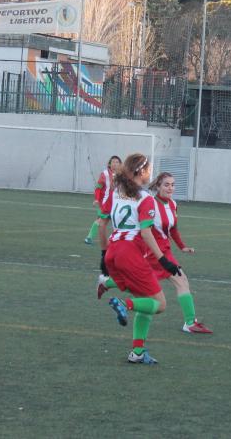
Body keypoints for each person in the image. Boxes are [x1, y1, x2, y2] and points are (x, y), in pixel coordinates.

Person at [98, 172, 212, 334]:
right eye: (166, 184)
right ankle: (189, 322)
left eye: (173, 184)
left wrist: (182, 246)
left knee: (146, 289)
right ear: (157, 186)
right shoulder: (150, 202)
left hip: (164, 249)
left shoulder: (172, 204)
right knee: (179, 280)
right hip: (154, 252)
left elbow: (173, 228)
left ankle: (107, 283)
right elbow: (144, 230)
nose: (170, 188)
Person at [102, 153, 181, 365]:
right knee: (160, 304)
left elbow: (104, 222)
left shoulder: (117, 191)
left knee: (144, 303)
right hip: (130, 253)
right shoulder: (146, 199)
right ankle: (123, 303)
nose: (151, 174)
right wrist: (164, 260)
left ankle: (137, 352)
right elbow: (146, 233)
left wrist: (103, 254)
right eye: (149, 170)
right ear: (141, 172)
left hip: (113, 250)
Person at [84, 156, 122, 268]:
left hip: (118, 203)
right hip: (105, 203)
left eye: (117, 162)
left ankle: (114, 243)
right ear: (109, 164)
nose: (115, 164)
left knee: (116, 222)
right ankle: (90, 238)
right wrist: (96, 199)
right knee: (101, 221)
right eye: (113, 162)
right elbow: (98, 187)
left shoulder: (122, 175)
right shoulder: (105, 174)